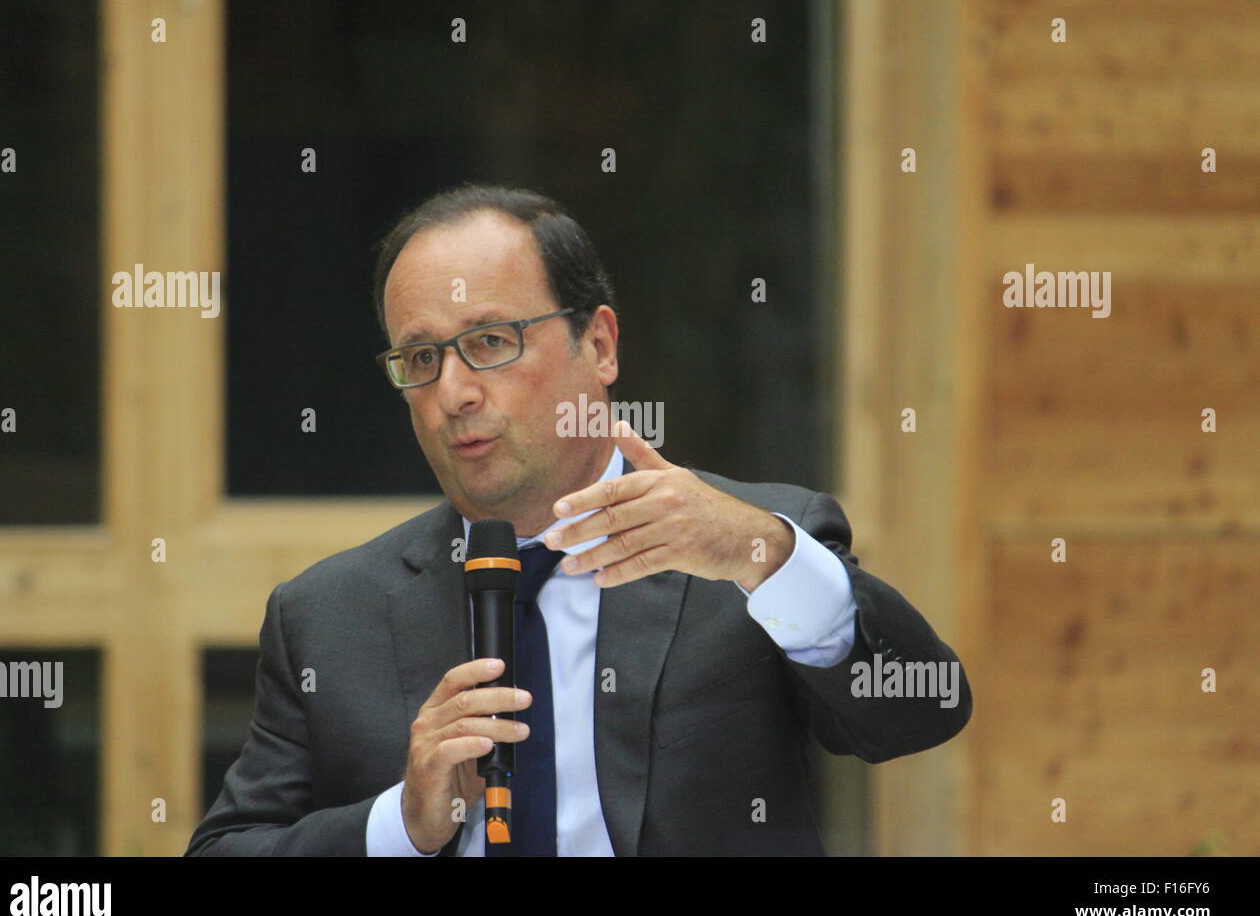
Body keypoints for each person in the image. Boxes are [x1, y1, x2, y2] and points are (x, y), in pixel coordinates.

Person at [186, 183, 971, 857]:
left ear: (598, 345)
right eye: (421, 359)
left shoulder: (745, 547)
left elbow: (921, 712)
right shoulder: (327, 617)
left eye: (489, 341)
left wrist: (762, 554)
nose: (453, 393)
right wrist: (403, 824)